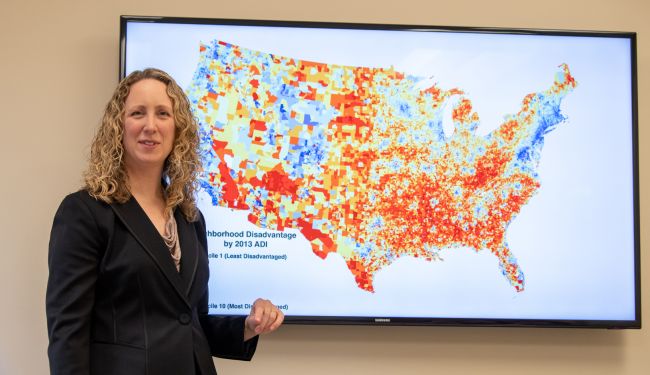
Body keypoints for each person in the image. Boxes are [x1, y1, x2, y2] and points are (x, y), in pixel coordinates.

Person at [46, 68, 284, 375]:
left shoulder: (189, 217)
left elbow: (191, 321)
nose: (150, 126)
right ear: (118, 125)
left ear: (178, 128)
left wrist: (249, 325)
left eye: (162, 114)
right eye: (137, 113)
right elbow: (67, 335)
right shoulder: (84, 212)